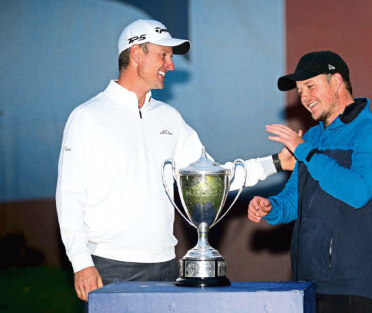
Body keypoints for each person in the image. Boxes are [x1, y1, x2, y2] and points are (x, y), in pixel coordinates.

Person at [55, 19, 294, 302]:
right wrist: (81, 262)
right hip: (109, 266)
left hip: (166, 266)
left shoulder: (170, 119)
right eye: (163, 55)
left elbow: (212, 177)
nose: (170, 65)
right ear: (136, 54)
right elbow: (69, 195)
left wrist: (276, 163)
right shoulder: (87, 117)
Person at [248, 51, 372, 313]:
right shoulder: (313, 137)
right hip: (305, 283)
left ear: (337, 81)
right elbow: (295, 199)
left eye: (310, 86)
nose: (303, 97)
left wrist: (305, 151)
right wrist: (271, 207)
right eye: (299, 90)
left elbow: (358, 191)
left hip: (349, 286)